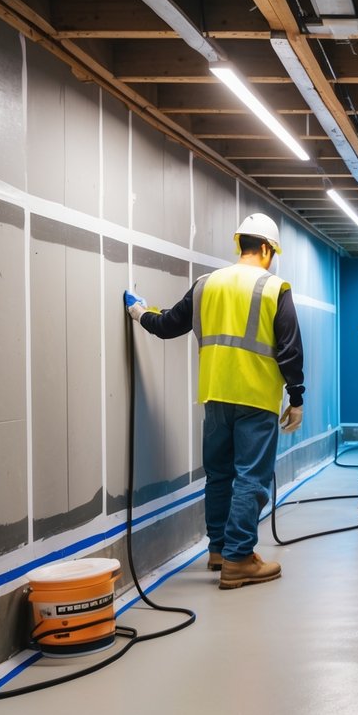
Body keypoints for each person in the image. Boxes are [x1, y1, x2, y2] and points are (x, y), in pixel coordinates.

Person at [123, 213, 304, 590]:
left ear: (241, 244)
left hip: (215, 396)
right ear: (268, 249)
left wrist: (138, 311)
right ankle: (239, 560)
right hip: (256, 398)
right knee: (250, 479)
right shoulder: (275, 287)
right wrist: (297, 397)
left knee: (220, 476)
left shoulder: (206, 284)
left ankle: (219, 550)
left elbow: (168, 324)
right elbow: (289, 349)